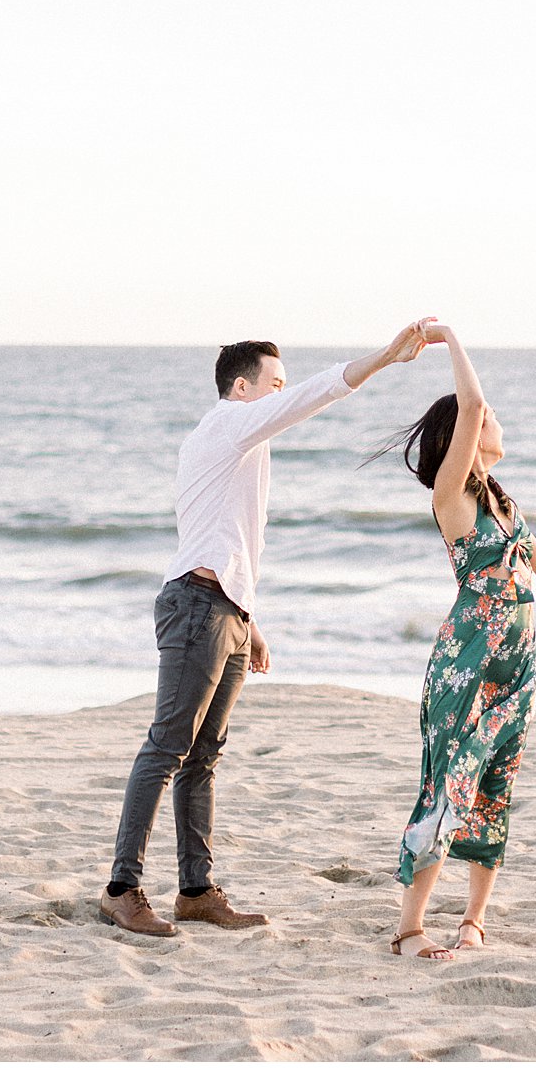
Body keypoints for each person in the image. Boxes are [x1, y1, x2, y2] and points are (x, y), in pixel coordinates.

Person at [99, 320, 433, 936]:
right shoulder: (227, 423)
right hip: (197, 606)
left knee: (203, 755)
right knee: (167, 748)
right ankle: (123, 888)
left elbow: (223, 536)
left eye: (284, 384)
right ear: (242, 388)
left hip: (221, 606)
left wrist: (248, 618)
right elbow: (319, 393)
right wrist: (387, 357)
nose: (283, 394)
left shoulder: (239, 442)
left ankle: (196, 892)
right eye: (274, 384)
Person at [368, 320, 536, 959]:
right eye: (489, 418)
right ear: (469, 435)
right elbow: (474, 402)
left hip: (517, 662)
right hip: (468, 661)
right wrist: (449, 337)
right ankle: (408, 928)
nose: (497, 421)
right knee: (448, 782)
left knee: (494, 786)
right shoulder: (451, 497)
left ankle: (474, 920)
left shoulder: (504, 504)